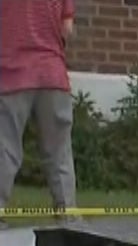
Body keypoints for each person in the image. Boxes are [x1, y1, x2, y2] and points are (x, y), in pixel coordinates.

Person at [0, 0, 78, 218]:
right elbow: (67, 29)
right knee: (59, 154)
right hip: (52, 74)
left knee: (5, 150)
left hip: (12, 75)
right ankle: (68, 217)